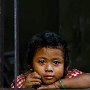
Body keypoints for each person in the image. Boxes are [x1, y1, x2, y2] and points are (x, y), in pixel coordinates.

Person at [11, 31, 90, 89]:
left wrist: (57, 85)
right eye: (42, 62)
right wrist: (25, 88)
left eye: (56, 62)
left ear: (66, 66)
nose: (49, 69)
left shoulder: (70, 77)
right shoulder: (23, 80)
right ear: (31, 64)